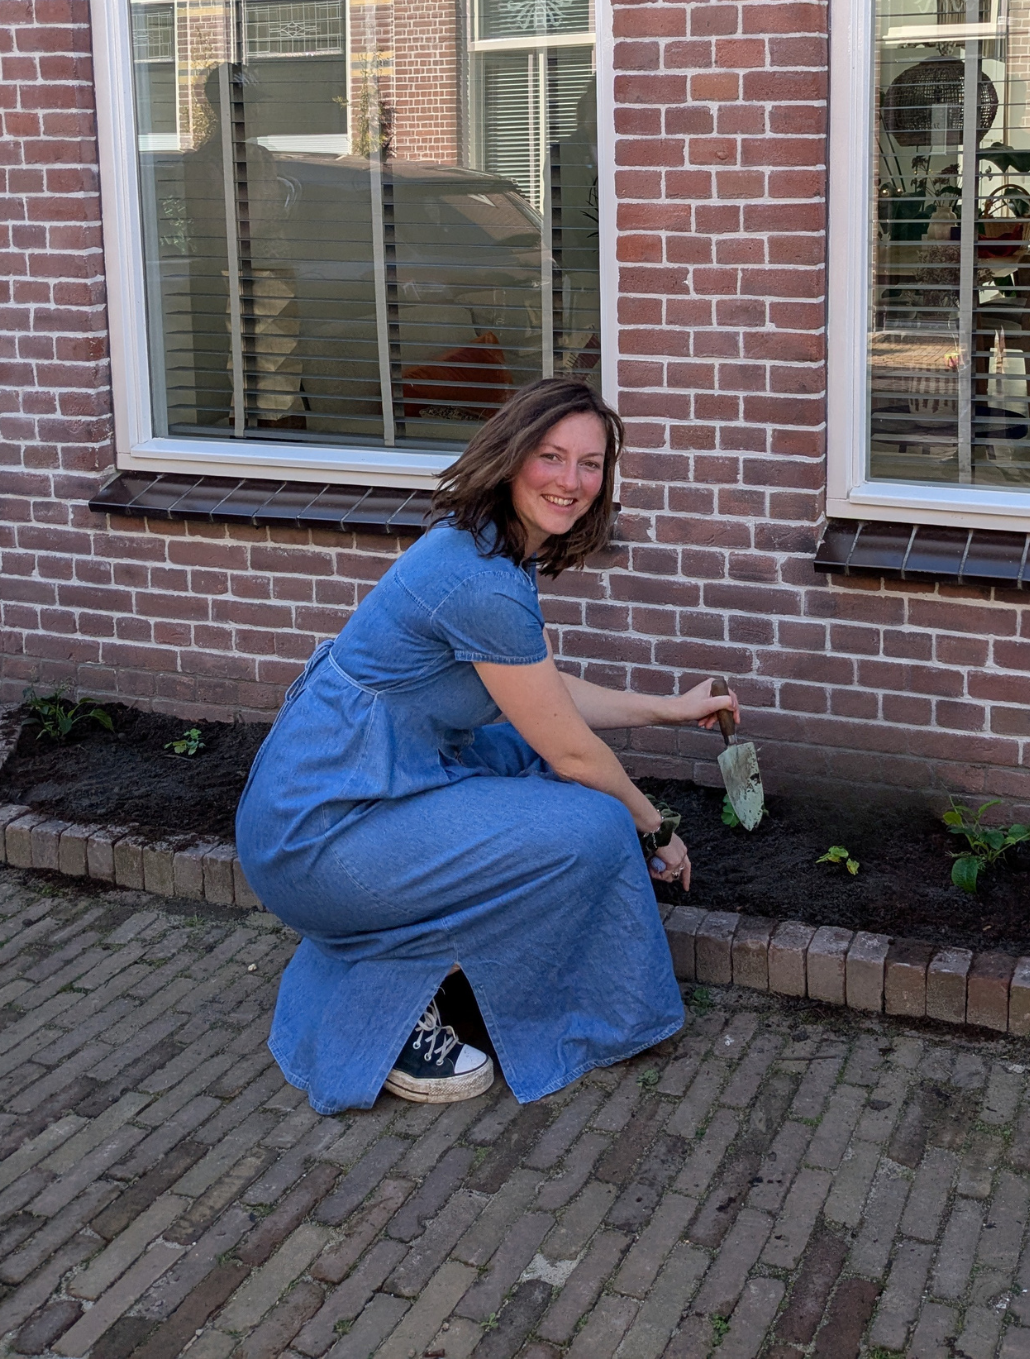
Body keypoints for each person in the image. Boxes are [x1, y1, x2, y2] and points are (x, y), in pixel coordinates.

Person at [235, 377, 734, 1112]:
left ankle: (463, 970)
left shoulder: (490, 549)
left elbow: (539, 696)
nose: (571, 481)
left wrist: (665, 709)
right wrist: (654, 825)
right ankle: (407, 1007)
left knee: (537, 772)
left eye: (590, 464)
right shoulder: (480, 579)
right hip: (321, 835)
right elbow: (570, 750)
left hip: (365, 788)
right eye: (551, 456)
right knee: (595, 822)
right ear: (512, 456)